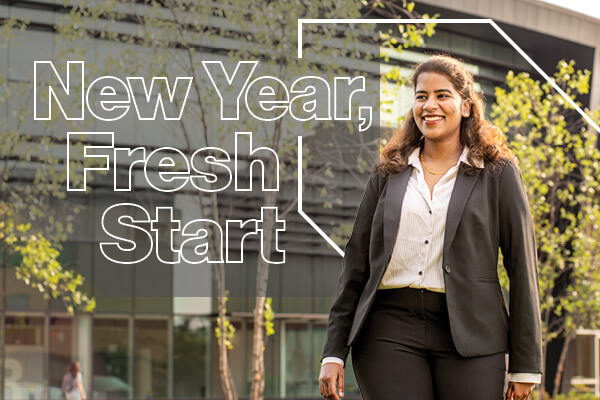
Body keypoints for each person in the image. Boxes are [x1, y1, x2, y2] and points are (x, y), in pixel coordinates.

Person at [318, 55, 542, 400]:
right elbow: (356, 264)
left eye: (442, 95)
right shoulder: (388, 173)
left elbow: (523, 268)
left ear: (466, 106)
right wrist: (333, 351)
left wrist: (526, 364)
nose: (430, 105)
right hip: (388, 328)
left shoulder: (498, 172)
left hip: (474, 333)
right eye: (422, 96)